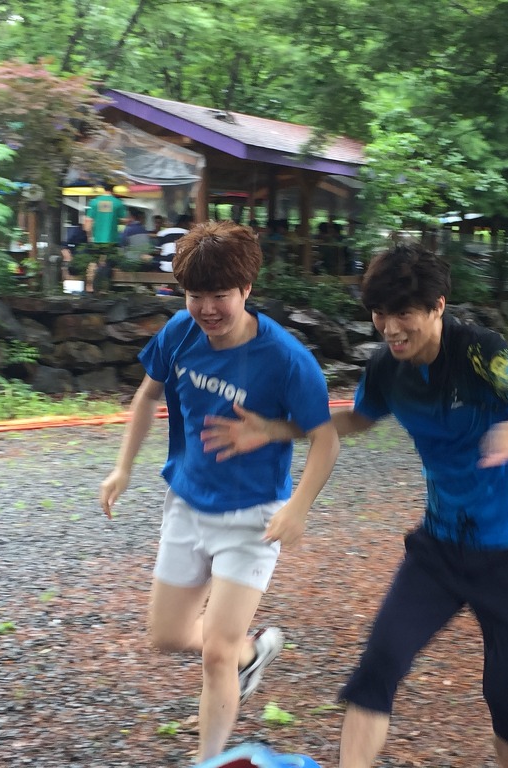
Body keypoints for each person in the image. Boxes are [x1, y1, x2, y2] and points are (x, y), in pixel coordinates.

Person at [200, 242, 508, 768]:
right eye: (380, 314)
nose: (390, 328)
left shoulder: (478, 351)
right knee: (378, 667)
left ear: (437, 307)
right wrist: (275, 429)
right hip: (439, 549)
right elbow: (356, 418)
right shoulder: (390, 368)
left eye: (403, 314)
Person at [99, 220, 341, 761]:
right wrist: (122, 469)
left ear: (246, 289)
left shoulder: (287, 359)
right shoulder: (180, 332)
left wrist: (298, 507)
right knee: (166, 635)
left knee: (215, 653)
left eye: (220, 296)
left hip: (253, 517)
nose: (207, 309)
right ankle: (251, 652)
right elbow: (147, 397)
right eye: (195, 296)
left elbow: (325, 439)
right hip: (187, 503)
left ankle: (208, 757)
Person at [83, 181, 129, 291]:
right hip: (111, 239)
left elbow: (88, 221)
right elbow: (125, 220)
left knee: (93, 263)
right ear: (113, 189)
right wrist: (114, 220)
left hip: (96, 239)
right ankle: (104, 289)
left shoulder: (94, 202)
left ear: (103, 189)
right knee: (108, 264)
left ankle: (89, 288)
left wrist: (89, 237)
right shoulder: (118, 203)